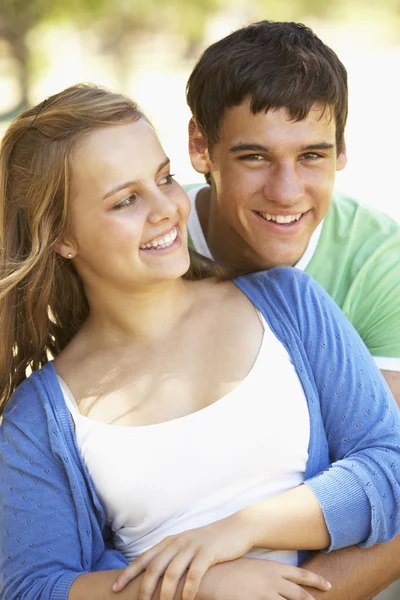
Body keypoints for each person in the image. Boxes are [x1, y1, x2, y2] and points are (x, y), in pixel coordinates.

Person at [0, 85, 399, 600]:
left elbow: (388, 467)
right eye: (125, 200)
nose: (166, 207)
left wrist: (243, 527)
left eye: (164, 177)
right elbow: (32, 588)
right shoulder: (41, 418)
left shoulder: (290, 305)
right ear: (62, 237)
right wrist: (203, 584)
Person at [184, 21, 400, 597]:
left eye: (311, 156)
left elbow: (388, 484)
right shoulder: (151, 244)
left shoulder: (379, 260)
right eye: (254, 156)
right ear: (201, 147)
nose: (286, 192)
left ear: (344, 151)